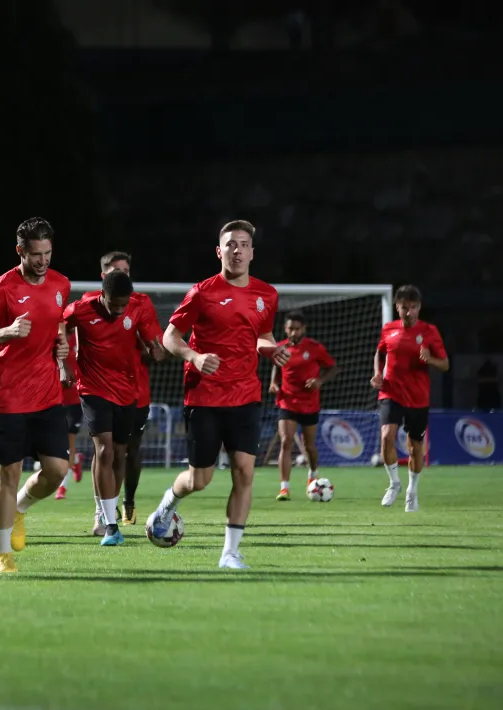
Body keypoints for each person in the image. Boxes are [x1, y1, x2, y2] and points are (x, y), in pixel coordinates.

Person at [146, 220, 288, 570]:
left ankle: (230, 553)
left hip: (246, 396)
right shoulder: (202, 292)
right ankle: (169, 501)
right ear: (219, 251)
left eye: (243, 244)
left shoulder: (266, 294)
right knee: (200, 479)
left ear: (252, 252)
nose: (237, 250)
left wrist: (270, 349)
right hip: (204, 398)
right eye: (231, 244)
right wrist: (194, 356)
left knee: (244, 472)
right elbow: (169, 337)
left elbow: (263, 335)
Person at [0, 217, 71, 574]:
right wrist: (6, 332)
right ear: (20, 251)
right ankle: (2, 553)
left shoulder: (61, 284)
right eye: (35, 254)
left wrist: (60, 342)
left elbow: (55, 322)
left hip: (47, 392)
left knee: (57, 470)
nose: (43, 261)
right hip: (7, 394)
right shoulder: (2, 289)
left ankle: (21, 507)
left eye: (48, 253)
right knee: (9, 473)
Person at [64, 269, 163, 546]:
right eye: (114, 304)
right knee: (104, 450)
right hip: (92, 389)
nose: (119, 310)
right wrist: (64, 361)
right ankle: (108, 523)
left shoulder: (136, 309)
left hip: (127, 390)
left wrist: (156, 351)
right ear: (102, 294)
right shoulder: (81, 309)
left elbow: (152, 343)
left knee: (120, 454)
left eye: (123, 305)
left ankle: (111, 509)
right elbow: (57, 325)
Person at [99, 251, 164, 526]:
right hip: (101, 391)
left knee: (130, 451)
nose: (123, 274)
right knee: (105, 451)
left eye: (126, 270)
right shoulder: (90, 304)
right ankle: (104, 511)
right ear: (104, 276)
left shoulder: (142, 303)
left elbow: (157, 350)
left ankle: (128, 503)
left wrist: (151, 347)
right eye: (117, 270)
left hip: (136, 390)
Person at [371, 284, 448, 512]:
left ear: (419, 308)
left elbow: (445, 364)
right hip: (390, 391)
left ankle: (412, 491)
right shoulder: (388, 329)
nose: (408, 312)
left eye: (413, 308)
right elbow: (381, 351)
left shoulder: (430, 332)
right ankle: (394, 483)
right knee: (387, 437)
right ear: (397, 307)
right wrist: (377, 373)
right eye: (404, 307)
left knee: (415, 447)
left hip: (417, 397)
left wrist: (430, 359)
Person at [268, 310, 339, 500]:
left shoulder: (315, 348)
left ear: (303, 329)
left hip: (309, 404)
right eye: (290, 329)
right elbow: (276, 364)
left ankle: (312, 475)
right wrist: (273, 383)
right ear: (285, 328)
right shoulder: (280, 348)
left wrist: (320, 381)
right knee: (286, 441)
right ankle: (284, 488)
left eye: (297, 329)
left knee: (309, 446)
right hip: (287, 401)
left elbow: (333, 367)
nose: (293, 333)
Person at [53, 328, 85, 501]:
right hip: (54, 400)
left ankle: (62, 487)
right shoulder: (51, 342)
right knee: (58, 445)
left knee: (67, 442)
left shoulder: (77, 341)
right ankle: (76, 461)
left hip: (74, 401)